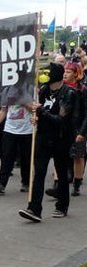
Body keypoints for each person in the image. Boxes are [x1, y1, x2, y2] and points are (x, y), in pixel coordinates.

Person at [19, 62, 77, 221]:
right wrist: (36, 118)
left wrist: (40, 111)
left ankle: (62, 205)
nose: (44, 75)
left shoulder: (69, 93)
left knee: (62, 173)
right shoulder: (44, 91)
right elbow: (41, 113)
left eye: (47, 72)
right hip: (43, 138)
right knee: (39, 173)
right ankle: (34, 209)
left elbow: (60, 120)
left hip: (61, 139)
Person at [0, 77, 35, 194]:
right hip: (10, 129)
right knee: (7, 156)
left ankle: (26, 182)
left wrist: (22, 100)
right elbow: (3, 110)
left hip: (27, 130)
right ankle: (1, 183)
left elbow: (34, 109)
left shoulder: (30, 88)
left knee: (26, 158)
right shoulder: (7, 90)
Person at [62, 62, 87, 196]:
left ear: (76, 74)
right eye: (64, 70)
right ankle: (58, 183)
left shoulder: (82, 90)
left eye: (69, 71)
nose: (65, 73)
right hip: (63, 128)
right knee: (60, 156)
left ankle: (77, 183)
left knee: (78, 156)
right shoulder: (61, 88)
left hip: (77, 128)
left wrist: (82, 132)